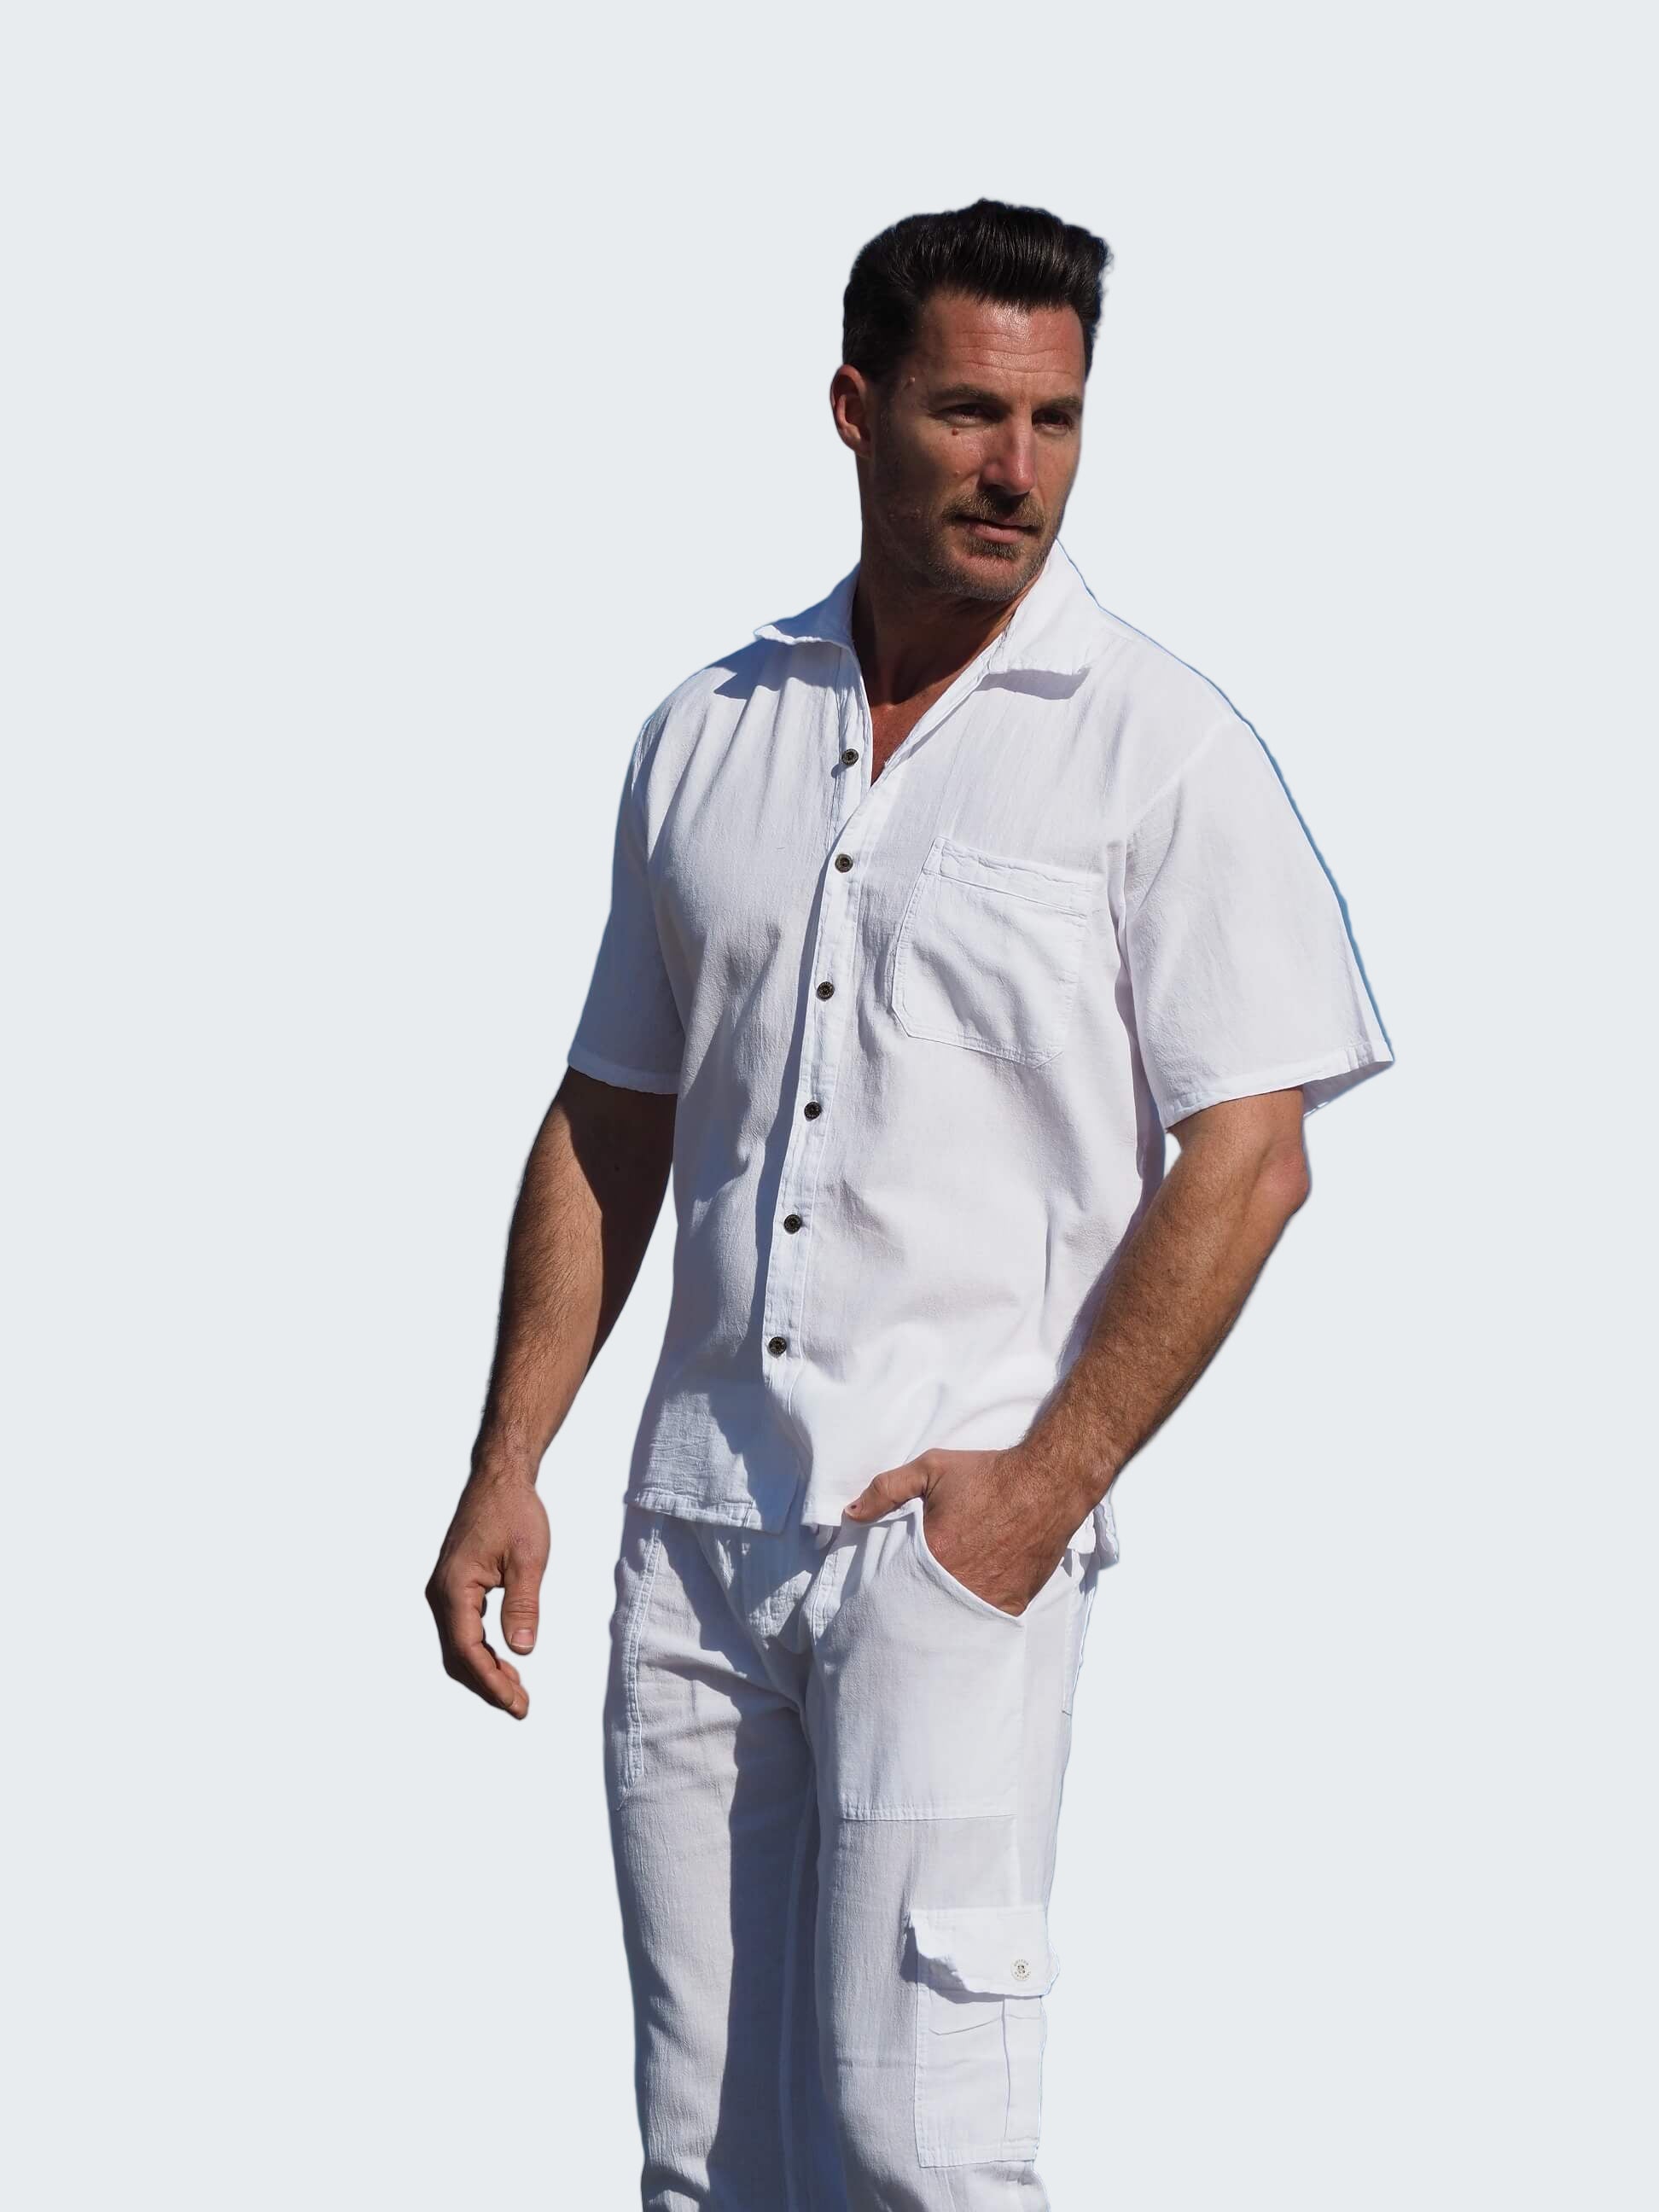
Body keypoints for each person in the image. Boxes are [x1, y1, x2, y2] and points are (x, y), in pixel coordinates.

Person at [425, 196, 1394, 2209]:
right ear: (857, 410)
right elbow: (614, 1113)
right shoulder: (711, 731)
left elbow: (1255, 1150)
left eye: (1056, 420)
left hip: (939, 1544)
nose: (1016, 468)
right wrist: (510, 1460)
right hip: (696, 1536)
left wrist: (1039, 1492)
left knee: (918, 2147)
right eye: (969, 413)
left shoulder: (1156, 747)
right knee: (706, 2158)